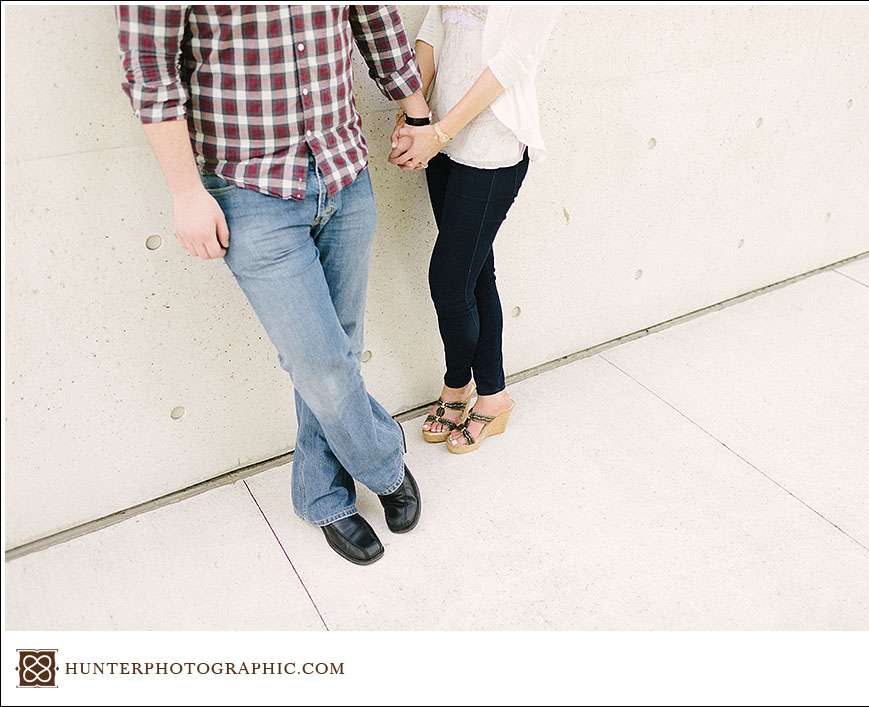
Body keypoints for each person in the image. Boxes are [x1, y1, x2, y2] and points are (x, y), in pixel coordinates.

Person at [117, 5, 430, 566]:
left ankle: (319, 496)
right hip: (249, 187)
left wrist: (418, 112)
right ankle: (384, 462)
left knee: (341, 349)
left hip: (343, 169)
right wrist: (186, 192)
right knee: (321, 365)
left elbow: (374, 18)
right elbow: (150, 70)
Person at [390, 5, 560, 453]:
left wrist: (439, 132)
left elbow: (515, 61)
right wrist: (416, 114)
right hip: (440, 135)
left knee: (448, 281)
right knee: (473, 273)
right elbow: (432, 28)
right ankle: (491, 393)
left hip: (491, 143)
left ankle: (456, 384)